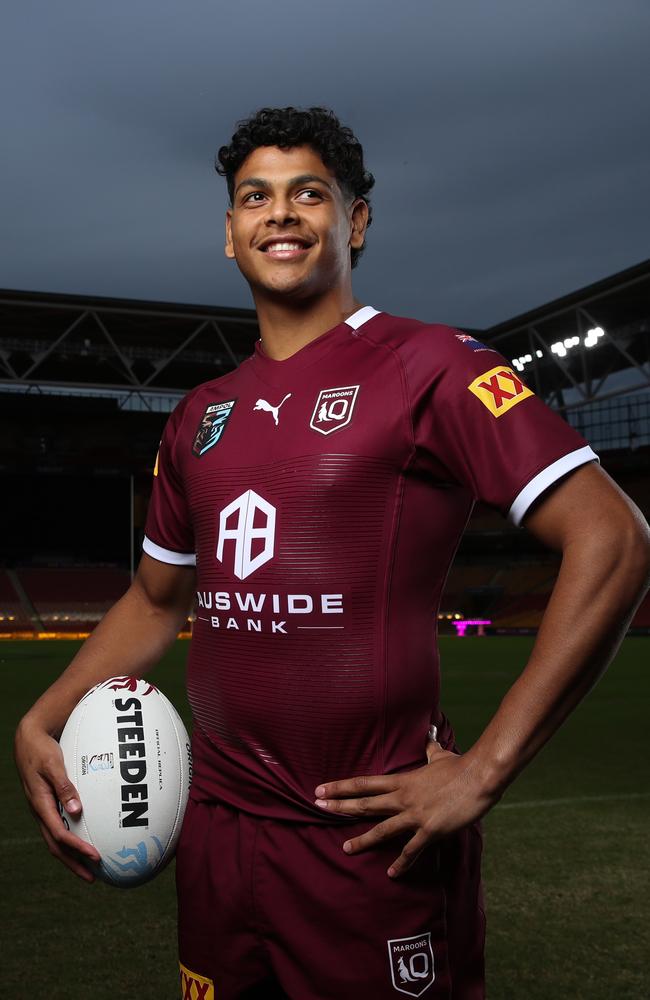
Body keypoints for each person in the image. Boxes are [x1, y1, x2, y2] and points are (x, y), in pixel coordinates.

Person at [15, 107, 650, 1000]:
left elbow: (613, 537)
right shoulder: (201, 414)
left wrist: (485, 768)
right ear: (230, 235)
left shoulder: (434, 365)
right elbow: (157, 601)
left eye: (308, 193)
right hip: (218, 834)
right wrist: (44, 714)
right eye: (255, 198)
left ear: (354, 221)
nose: (280, 213)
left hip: (367, 845)